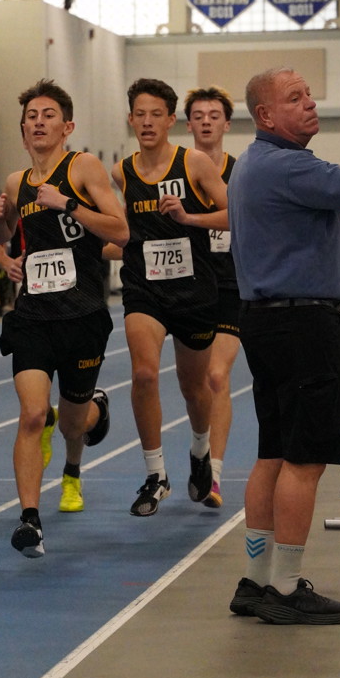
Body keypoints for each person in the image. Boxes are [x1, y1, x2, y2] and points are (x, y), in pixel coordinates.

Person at [227, 68, 340, 624]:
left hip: (266, 321)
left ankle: (255, 580)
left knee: (273, 452)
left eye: (309, 95)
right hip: (304, 324)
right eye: (295, 98)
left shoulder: (252, 163)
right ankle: (287, 587)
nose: (310, 103)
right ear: (266, 115)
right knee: (306, 457)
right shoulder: (290, 166)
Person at [0, 80, 127, 557]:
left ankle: (95, 411)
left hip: (82, 314)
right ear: (23, 129)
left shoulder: (82, 167)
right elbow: (6, 236)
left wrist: (67, 203)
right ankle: (30, 519)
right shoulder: (15, 182)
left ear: (67, 127)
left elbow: (122, 231)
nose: (39, 122)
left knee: (71, 424)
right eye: (31, 116)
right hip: (32, 315)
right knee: (32, 414)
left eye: (48, 115)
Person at [111, 78, 230, 517]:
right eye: (140, 114)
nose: (147, 122)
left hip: (194, 290)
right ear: (130, 119)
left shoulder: (193, 163)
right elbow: (118, 230)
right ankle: (155, 474)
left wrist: (189, 218)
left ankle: (200, 449)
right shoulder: (120, 172)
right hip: (144, 288)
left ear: (170, 120)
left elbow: (237, 213)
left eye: (155, 114)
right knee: (144, 373)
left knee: (194, 387)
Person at [184, 85, 241, 508]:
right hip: (187, 289)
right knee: (195, 386)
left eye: (214, 115)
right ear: (188, 124)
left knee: (217, 377)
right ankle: (199, 448)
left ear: (227, 123)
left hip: (231, 287)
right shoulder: (176, 173)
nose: (206, 121)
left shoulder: (241, 173)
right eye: (199, 115)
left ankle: (214, 476)